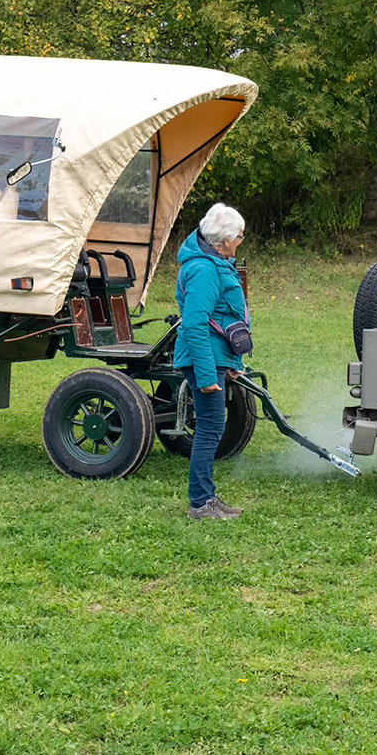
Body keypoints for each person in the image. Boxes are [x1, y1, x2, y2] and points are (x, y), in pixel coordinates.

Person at [173, 203, 249, 520]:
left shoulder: (214, 263)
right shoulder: (204, 270)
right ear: (226, 239)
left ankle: (207, 497)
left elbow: (221, 316)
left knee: (211, 428)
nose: (241, 241)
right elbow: (195, 324)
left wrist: (228, 361)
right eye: (240, 236)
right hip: (202, 361)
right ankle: (201, 504)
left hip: (214, 358)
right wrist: (206, 375)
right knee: (209, 429)